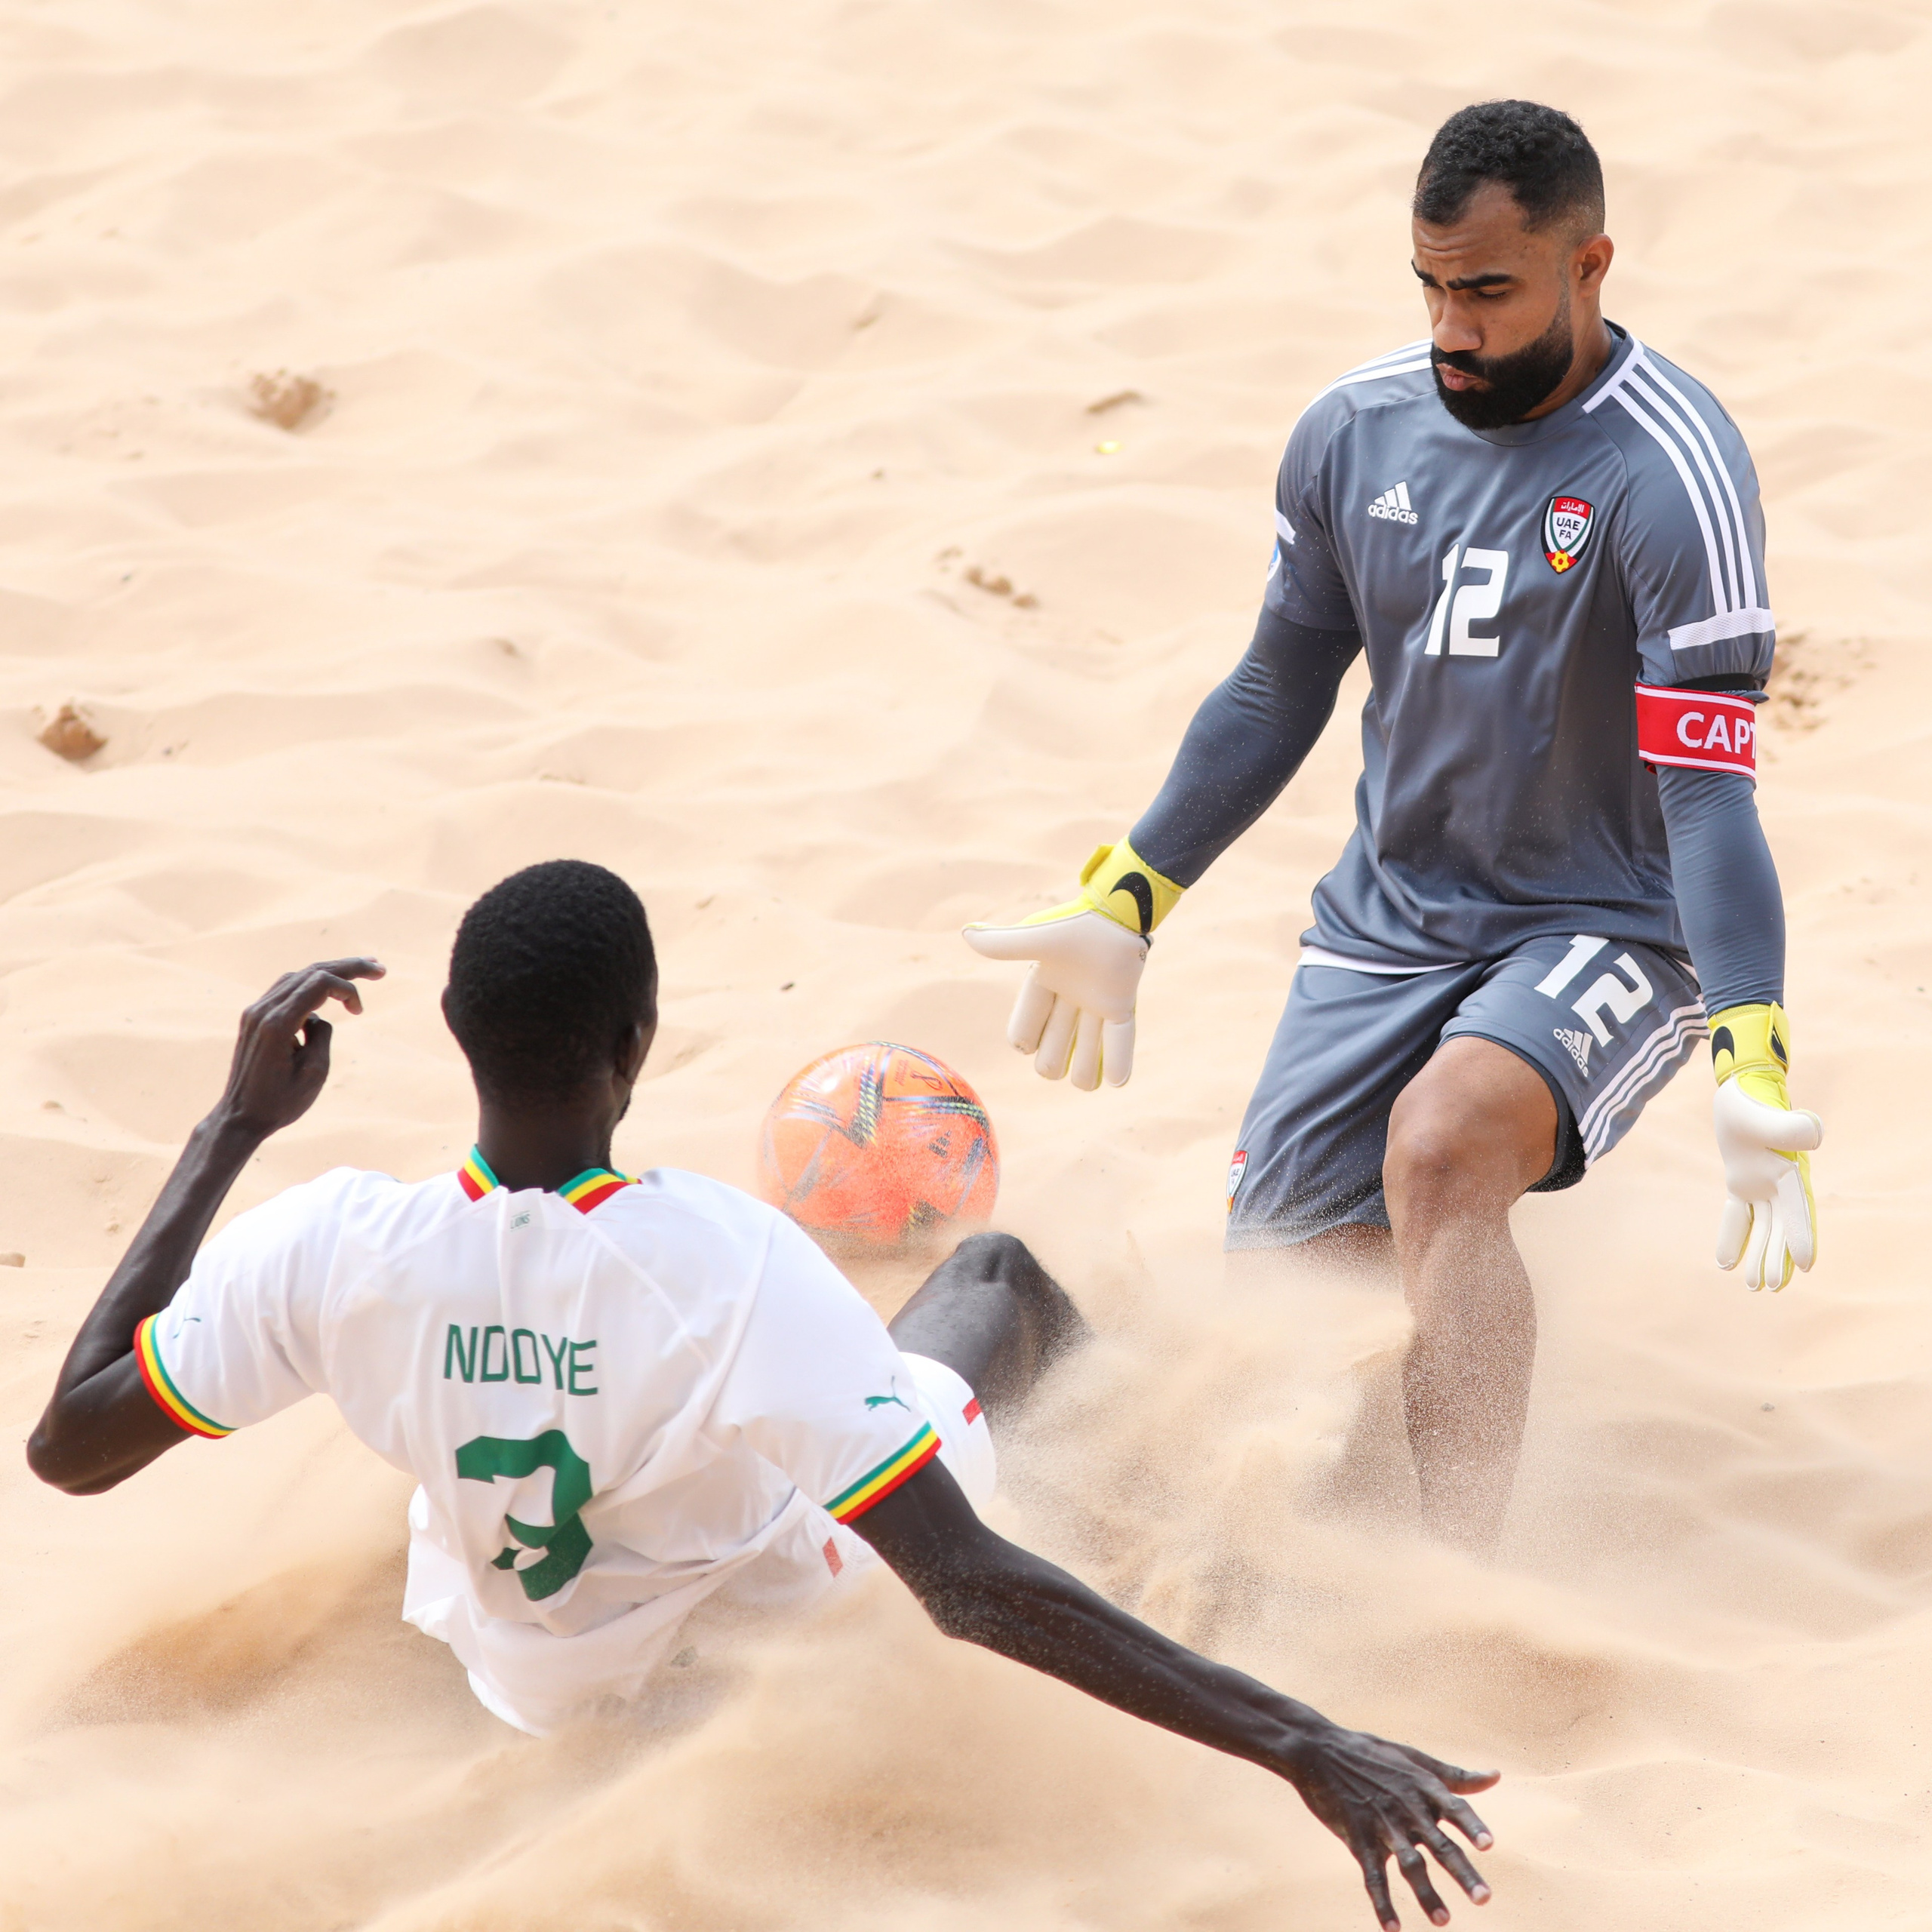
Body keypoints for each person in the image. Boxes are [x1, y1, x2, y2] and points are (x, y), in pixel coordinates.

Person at [30, 860, 1495, 1931]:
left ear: (463, 1036)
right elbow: (971, 1587)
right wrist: (1306, 1740)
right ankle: (1153, 1502)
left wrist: (229, 1128)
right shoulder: (723, 1262)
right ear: (636, 1045)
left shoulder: (333, 1244)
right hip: (791, 1617)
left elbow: (71, 1445)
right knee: (991, 1279)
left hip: (522, 1675)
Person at [964, 100, 1823, 1552]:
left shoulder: (1671, 473)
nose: (1452, 328)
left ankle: (1460, 1594)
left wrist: (1751, 1037)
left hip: (1606, 921)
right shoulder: (1355, 432)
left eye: (1488, 289)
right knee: (1305, 1332)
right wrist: (1133, 893)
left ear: (1588, 264)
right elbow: (1274, 685)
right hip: (1386, 928)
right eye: (1430, 285)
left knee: (1438, 1152)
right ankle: (1363, 1584)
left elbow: (1707, 791)